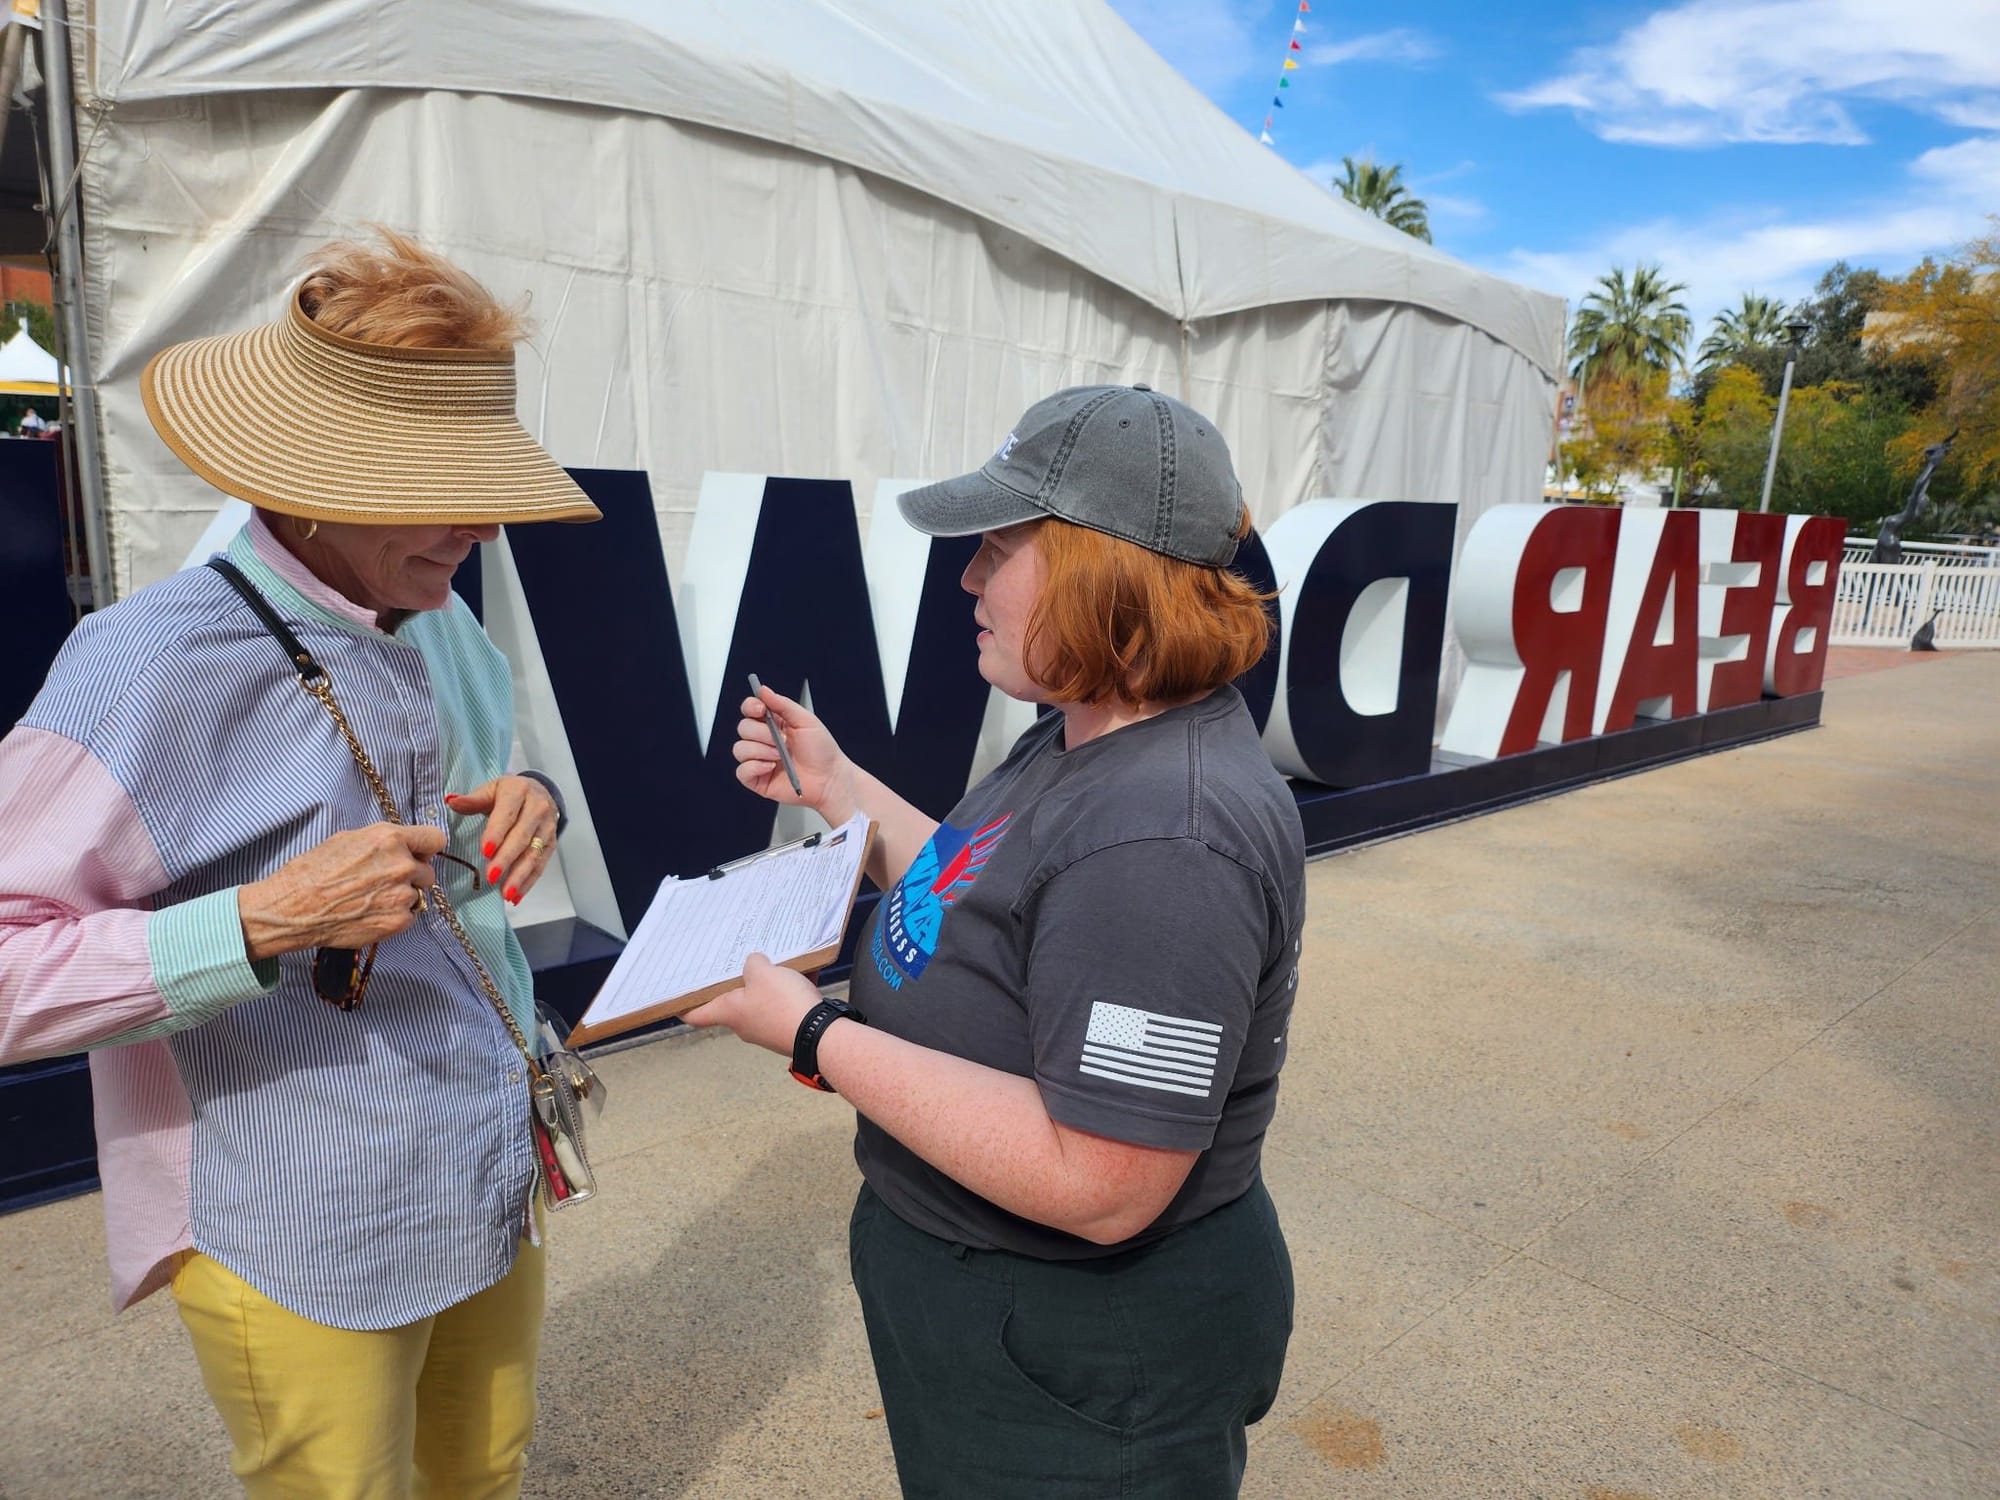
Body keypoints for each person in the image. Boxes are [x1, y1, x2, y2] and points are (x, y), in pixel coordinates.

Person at [0, 230, 601, 1500]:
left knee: (485, 1470)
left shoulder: (435, 616)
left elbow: (459, 806)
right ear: (315, 479)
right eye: (445, 486)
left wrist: (526, 803)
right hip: (298, 1213)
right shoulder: (146, 665)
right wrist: (264, 920)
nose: (487, 523)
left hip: (482, 1158)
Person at [692, 384, 1306, 1497]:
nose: (967, 578)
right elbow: (983, 887)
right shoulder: (1089, 732)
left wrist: (815, 1033)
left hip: (1080, 1351)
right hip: (1008, 1312)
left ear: (1098, 569)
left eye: (998, 548)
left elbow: (1104, 1178)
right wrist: (840, 791)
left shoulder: (1164, 837)